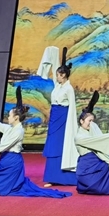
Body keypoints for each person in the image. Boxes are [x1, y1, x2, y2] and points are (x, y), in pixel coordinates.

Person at [0, 86, 71, 198]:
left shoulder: (18, 131)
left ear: (16, 118)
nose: (8, 117)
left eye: (9, 115)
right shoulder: (9, 128)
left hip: (12, 164)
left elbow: (3, 146)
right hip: (5, 160)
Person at [37, 46, 78, 186]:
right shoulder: (58, 86)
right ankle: (52, 176)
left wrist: (71, 125)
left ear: (64, 75)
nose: (57, 77)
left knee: (60, 144)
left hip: (63, 117)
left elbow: (72, 107)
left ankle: (64, 177)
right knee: (52, 144)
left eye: (58, 75)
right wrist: (52, 52)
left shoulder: (69, 88)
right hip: (55, 117)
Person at [74, 91, 109, 195]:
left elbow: (100, 140)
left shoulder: (92, 132)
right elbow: (101, 140)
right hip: (87, 166)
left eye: (93, 121)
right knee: (106, 170)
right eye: (89, 121)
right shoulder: (79, 137)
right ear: (81, 121)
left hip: (96, 162)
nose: (91, 124)